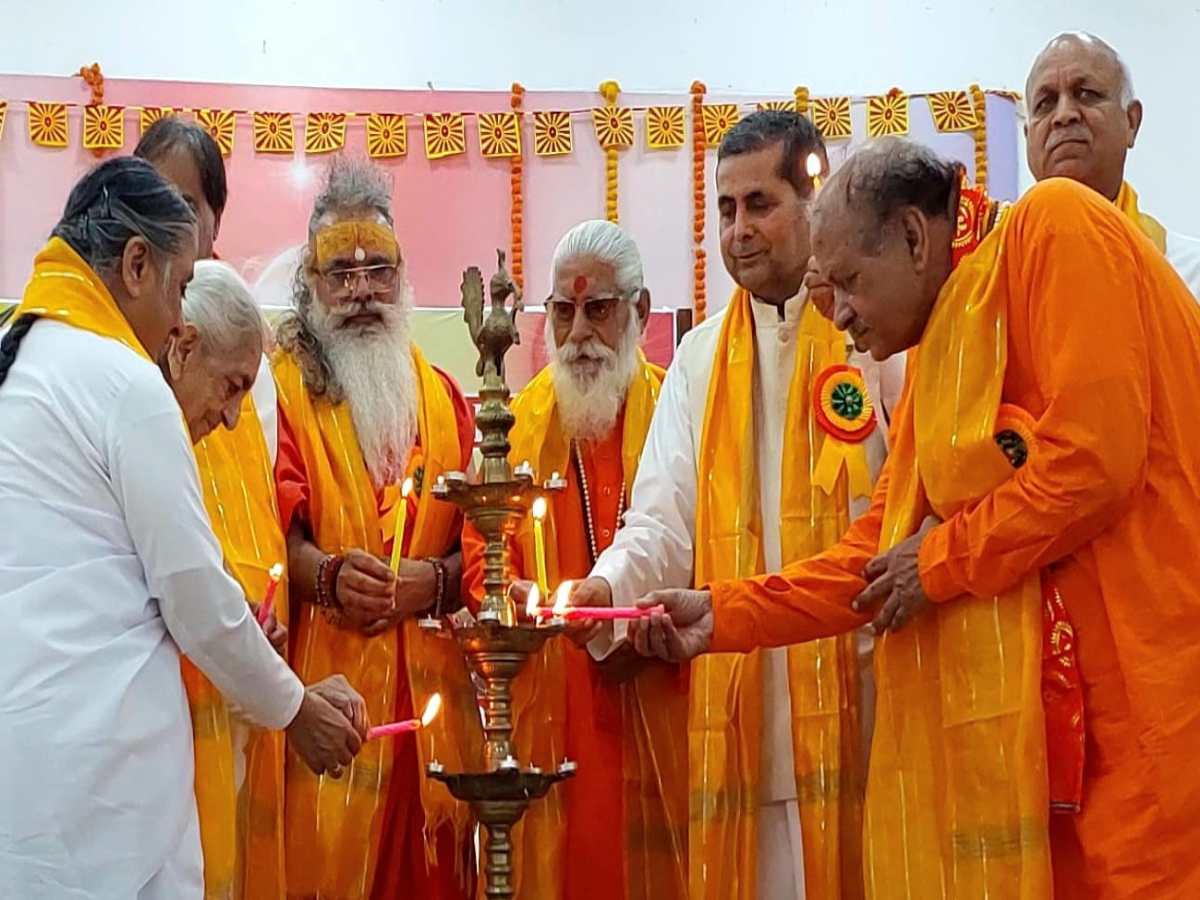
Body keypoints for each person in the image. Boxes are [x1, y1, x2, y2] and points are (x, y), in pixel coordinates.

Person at [627, 138, 1200, 899]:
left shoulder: (1053, 230)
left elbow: (1094, 460)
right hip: (1060, 739)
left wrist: (940, 560)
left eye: (850, 285)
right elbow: (878, 557)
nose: (842, 316)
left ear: (913, 237)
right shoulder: (943, 344)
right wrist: (724, 614)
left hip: (1152, 704)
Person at [0, 157, 367, 899]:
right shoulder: (124, 381)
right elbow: (195, 597)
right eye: (177, 288)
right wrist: (295, 711)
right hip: (103, 786)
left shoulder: (24, 359)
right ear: (137, 265)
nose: (177, 324)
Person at [572, 111, 901, 900]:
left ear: (809, 203)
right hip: (740, 721)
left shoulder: (877, 336)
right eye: (725, 209)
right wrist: (608, 589)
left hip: (864, 710)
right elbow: (661, 518)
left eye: (760, 204)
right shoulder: (698, 358)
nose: (739, 230)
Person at [461, 220, 688, 900]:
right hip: (554, 695)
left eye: (599, 308)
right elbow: (480, 553)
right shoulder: (515, 425)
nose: (580, 332)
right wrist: (513, 593)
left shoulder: (680, 409)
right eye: (563, 312)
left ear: (640, 313)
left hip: (662, 688)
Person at [273, 156, 480, 900]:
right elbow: (274, 539)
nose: (362, 291)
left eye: (378, 271)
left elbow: (480, 545)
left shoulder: (444, 396)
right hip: (328, 706)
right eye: (341, 273)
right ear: (311, 286)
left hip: (430, 717)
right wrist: (325, 575)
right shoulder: (281, 392)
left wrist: (435, 581)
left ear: (402, 279)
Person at [163, 259, 291, 900]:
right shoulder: (142, 426)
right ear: (183, 348)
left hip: (227, 706)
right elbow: (185, 594)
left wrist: (253, 619)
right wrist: (297, 709)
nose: (237, 417)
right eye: (232, 387)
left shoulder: (205, 421)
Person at [1025, 31, 1200, 294]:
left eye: (1085, 94)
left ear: (1131, 122)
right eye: (1045, 103)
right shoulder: (992, 273)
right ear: (1028, 136)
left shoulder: (1190, 273)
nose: (1063, 115)